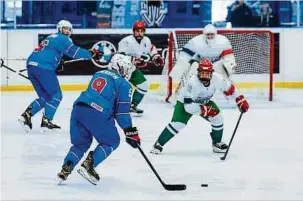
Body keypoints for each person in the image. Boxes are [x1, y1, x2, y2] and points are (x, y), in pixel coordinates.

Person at [57, 53, 141, 185]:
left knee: (80, 144)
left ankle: (66, 167)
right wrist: (130, 131)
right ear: (120, 67)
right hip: (97, 112)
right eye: (127, 68)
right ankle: (89, 165)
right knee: (112, 141)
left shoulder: (99, 73)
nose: (128, 72)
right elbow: (122, 114)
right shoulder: (124, 84)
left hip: (78, 109)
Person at [18, 20, 103, 132]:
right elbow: (74, 52)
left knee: (46, 97)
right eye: (65, 28)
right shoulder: (63, 38)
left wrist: (56, 63)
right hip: (44, 68)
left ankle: (26, 116)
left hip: (32, 67)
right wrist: (91, 54)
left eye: (69, 29)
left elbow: (49, 52)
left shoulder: (51, 37)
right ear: (59, 29)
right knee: (56, 95)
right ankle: (46, 121)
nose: (67, 31)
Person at [150, 59, 249, 154]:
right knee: (178, 124)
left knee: (218, 117)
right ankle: (158, 144)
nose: (204, 77)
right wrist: (205, 110)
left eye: (207, 74)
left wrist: (240, 99)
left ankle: (217, 143)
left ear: (211, 73)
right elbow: (188, 107)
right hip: (185, 103)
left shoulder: (217, 78)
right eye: (202, 74)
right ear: (198, 73)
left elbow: (230, 88)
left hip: (204, 101)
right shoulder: (192, 83)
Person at [169, 24, 237, 100]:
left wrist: (231, 66)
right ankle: (179, 96)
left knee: (225, 80)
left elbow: (229, 56)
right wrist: (179, 68)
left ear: (216, 34)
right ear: (204, 34)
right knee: (189, 77)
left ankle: (233, 98)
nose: (210, 36)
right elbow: (185, 56)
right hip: (199, 65)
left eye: (212, 34)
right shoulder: (195, 42)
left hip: (216, 64)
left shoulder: (223, 41)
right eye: (208, 34)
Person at [118, 20, 164, 116]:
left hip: (132, 69)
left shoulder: (146, 40)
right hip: (120, 70)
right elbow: (119, 57)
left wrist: (156, 57)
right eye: (137, 31)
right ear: (133, 31)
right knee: (120, 89)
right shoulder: (126, 41)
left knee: (143, 85)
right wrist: (134, 60)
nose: (139, 33)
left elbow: (151, 49)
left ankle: (133, 106)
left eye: (141, 31)